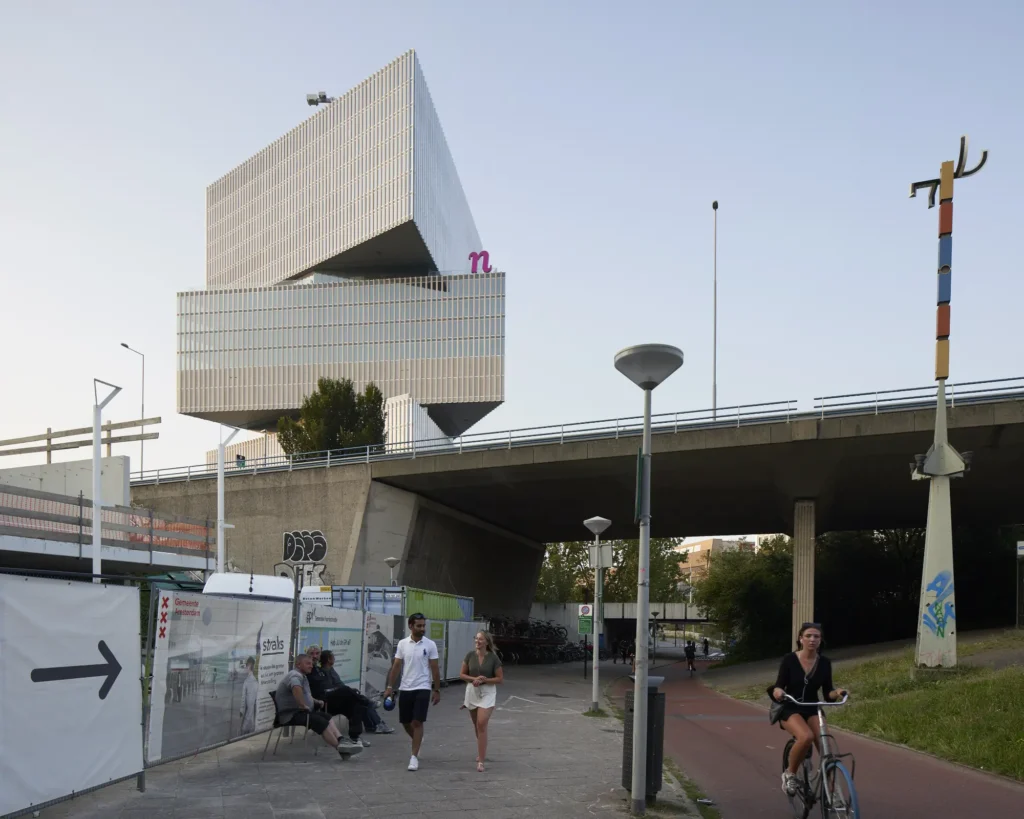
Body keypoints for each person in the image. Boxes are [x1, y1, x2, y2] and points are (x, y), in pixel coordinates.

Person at [768, 623, 848, 795]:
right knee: (806, 737)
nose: (812, 639)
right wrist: (778, 691)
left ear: (820, 640)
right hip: (790, 707)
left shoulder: (825, 663)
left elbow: (827, 693)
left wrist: (838, 692)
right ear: (801, 639)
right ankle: (789, 774)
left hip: (812, 708)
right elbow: (779, 685)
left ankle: (834, 792)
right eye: (808, 636)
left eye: (816, 637)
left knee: (825, 746)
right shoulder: (789, 659)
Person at [274, 654, 362, 757]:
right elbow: (296, 688)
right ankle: (341, 749)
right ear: (298, 664)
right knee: (319, 721)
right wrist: (302, 705)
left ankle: (342, 740)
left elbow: (306, 695)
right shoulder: (295, 675)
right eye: (308, 663)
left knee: (326, 717)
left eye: (311, 663)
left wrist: (316, 701)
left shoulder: (302, 675)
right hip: (290, 714)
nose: (311, 666)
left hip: (299, 712)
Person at [384, 612, 441, 772]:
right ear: (411, 626)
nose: (422, 628)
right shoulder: (403, 644)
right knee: (405, 722)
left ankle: (414, 757)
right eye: (419, 626)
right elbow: (396, 666)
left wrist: (436, 689)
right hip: (405, 687)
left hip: (423, 687)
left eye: (424, 625)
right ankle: (418, 740)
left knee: (417, 722)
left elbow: (435, 668)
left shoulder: (430, 645)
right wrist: (389, 687)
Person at [459, 630, 504, 772]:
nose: (477, 641)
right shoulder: (470, 656)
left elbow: (499, 679)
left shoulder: (493, 658)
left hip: (487, 692)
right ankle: (481, 751)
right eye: (476, 639)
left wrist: (485, 680)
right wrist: (474, 679)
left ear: (487, 642)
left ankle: (481, 761)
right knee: (476, 725)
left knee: (482, 723)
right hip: (472, 692)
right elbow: (462, 674)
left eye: (480, 639)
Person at [306, 649, 368, 748]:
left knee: (355, 705)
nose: (314, 656)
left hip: (330, 700)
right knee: (346, 690)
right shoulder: (306, 671)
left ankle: (355, 738)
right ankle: (366, 701)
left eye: (317, 654)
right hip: (320, 703)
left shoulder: (320, 670)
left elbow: (329, 685)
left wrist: (333, 689)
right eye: (311, 654)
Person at [239, 656, 259, 734]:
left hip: (248, 712)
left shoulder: (247, 682)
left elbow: (243, 698)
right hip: (254, 712)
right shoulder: (256, 681)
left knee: (244, 729)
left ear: (249, 666)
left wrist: (241, 710)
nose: (245, 668)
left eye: (246, 665)